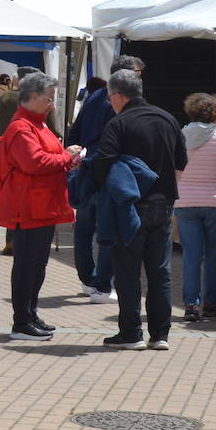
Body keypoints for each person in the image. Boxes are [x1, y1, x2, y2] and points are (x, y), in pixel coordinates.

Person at [91, 69, 186, 350]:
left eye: (110, 98)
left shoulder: (119, 124)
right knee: (160, 271)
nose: (110, 103)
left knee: (128, 270)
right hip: (164, 204)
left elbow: (103, 163)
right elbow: (181, 162)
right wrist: (166, 190)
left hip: (130, 207)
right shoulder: (168, 119)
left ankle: (131, 333)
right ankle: (160, 335)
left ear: (119, 96)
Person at [0, 72, 82, 340]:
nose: (52, 104)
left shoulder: (36, 124)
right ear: (32, 97)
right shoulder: (22, 127)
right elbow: (35, 162)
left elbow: (45, 157)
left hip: (41, 204)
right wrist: (67, 157)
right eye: (49, 98)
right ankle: (21, 321)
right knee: (27, 264)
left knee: (37, 264)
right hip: (28, 205)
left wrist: (67, 157)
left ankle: (29, 314)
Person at [67, 57, 145, 304]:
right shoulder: (117, 101)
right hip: (107, 168)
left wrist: (77, 150)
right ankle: (101, 285)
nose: (141, 79)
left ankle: (88, 281)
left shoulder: (94, 97)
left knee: (85, 226)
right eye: (138, 74)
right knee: (106, 226)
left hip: (89, 166)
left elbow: (75, 130)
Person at [175, 93, 216, 322]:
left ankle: (191, 305)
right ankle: (211, 303)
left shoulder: (180, 136)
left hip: (185, 201)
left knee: (191, 256)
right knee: (213, 256)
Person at [0, 66, 37, 255]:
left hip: (5, 153)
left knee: (9, 196)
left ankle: (11, 240)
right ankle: (25, 239)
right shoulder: (38, 99)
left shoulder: (6, 98)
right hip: (31, 152)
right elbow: (53, 128)